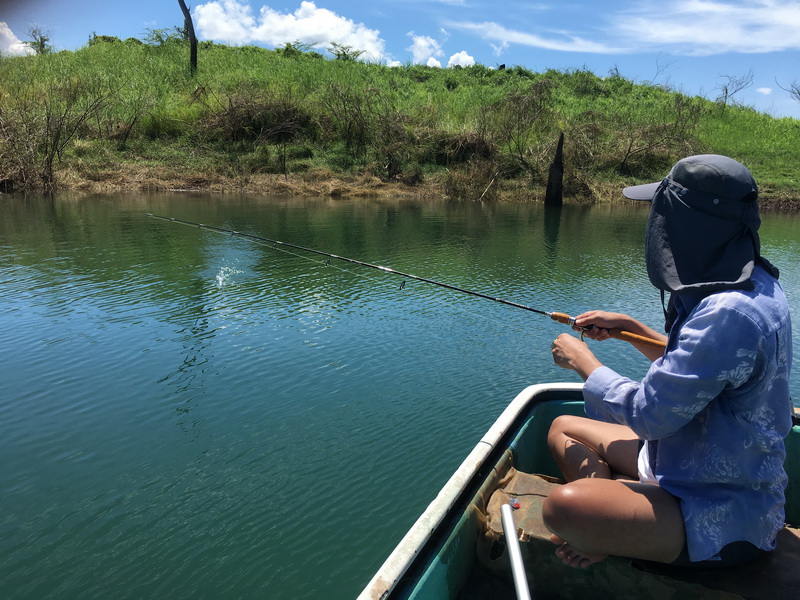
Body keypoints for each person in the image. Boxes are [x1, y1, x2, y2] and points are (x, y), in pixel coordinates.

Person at [541, 154, 793, 570]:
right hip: (680, 459)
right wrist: (630, 327)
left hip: (720, 511)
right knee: (562, 429)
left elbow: (649, 415)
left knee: (562, 508)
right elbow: (705, 369)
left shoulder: (727, 312)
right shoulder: (756, 283)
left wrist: (583, 362)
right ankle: (614, 525)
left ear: (687, 224)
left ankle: (608, 529)